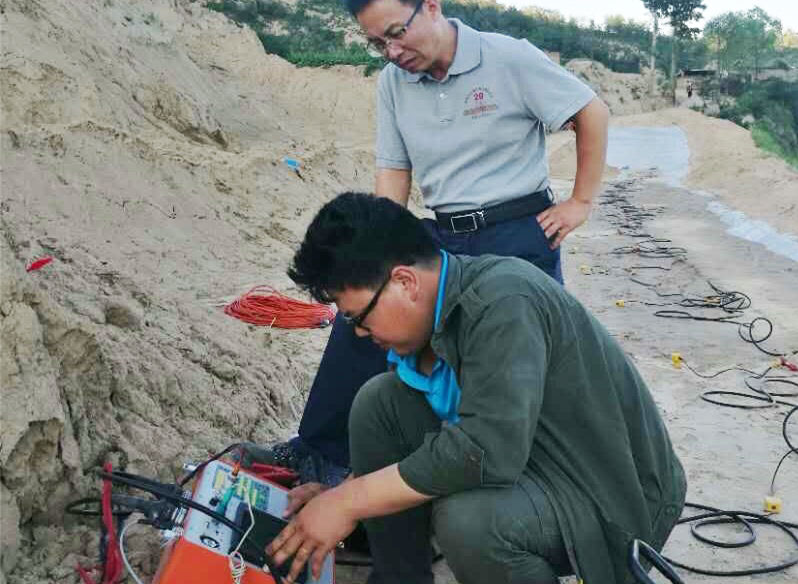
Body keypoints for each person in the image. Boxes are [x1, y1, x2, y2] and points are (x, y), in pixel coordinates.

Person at [246, 0, 610, 489]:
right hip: (442, 232)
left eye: (397, 34)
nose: (393, 52)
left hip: (518, 233)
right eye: (378, 44)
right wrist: (376, 249)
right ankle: (320, 451)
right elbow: (394, 169)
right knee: (363, 314)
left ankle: (522, 480)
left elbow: (590, 112)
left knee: (511, 360)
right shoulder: (393, 83)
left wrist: (580, 202)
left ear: (431, 7)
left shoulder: (507, 58)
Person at [268, 192, 686, 584]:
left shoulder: (502, 301)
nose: (359, 332)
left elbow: (486, 451)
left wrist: (349, 501)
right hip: (533, 458)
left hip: (612, 492)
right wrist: (343, 493)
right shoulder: (440, 308)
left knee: (468, 522)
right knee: (380, 404)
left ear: (405, 282)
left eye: (358, 317)